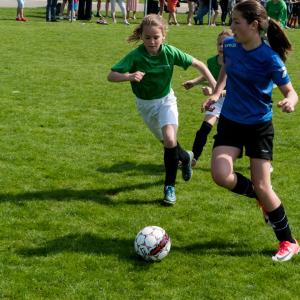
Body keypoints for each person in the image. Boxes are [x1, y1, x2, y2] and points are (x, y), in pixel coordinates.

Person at [203, 0, 299, 262]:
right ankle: (261, 198)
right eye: (231, 21)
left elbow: (291, 91)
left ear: (254, 25)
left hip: (258, 126)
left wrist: (289, 101)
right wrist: (217, 91)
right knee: (220, 174)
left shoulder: (270, 58)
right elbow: (226, 68)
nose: (231, 27)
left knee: (263, 185)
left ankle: (288, 241)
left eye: (236, 22)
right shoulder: (232, 46)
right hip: (231, 121)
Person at [107, 14, 216, 205]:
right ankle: (185, 157)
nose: (152, 41)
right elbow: (111, 75)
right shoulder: (136, 56)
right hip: (145, 105)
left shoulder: (170, 52)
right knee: (169, 144)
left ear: (163, 36)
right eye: (147, 37)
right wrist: (129, 76)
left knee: (170, 139)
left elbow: (199, 64)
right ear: (141, 36)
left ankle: (169, 187)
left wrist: (216, 89)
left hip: (166, 101)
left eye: (156, 37)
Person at [183, 29, 233, 167]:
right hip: (218, 99)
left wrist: (215, 92)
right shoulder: (212, 61)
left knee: (240, 133)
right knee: (204, 129)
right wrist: (194, 82)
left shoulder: (237, 62)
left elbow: (238, 89)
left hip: (234, 101)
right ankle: (193, 159)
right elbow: (208, 75)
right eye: (219, 44)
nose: (221, 47)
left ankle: (260, 160)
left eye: (225, 44)